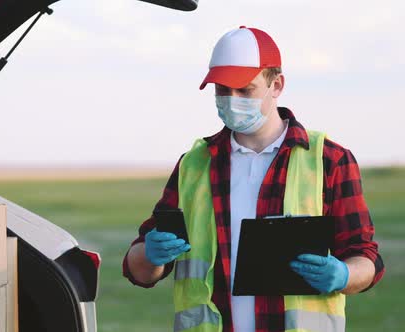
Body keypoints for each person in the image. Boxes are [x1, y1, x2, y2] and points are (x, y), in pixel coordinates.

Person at [122, 26, 385, 332]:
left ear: (276, 85)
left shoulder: (329, 160)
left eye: (245, 90)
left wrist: (344, 274)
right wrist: (151, 256)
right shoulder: (194, 165)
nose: (231, 100)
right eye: (222, 90)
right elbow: (139, 270)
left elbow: (367, 259)